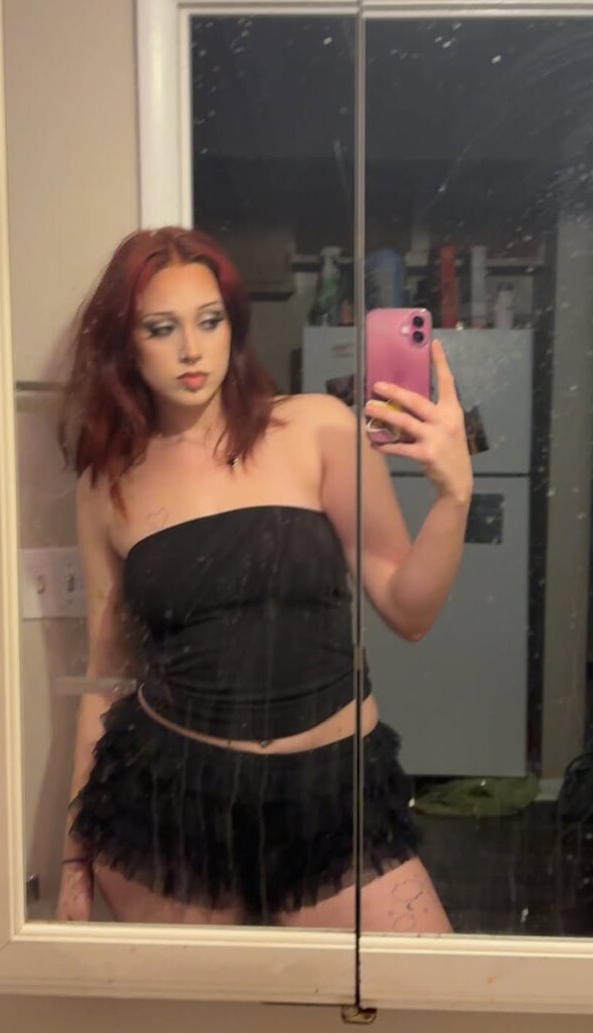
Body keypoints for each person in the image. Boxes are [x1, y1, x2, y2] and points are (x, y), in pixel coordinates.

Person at [54, 227, 473, 930]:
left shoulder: (316, 429)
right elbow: (104, 680)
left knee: (425, 985)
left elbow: (410, 611)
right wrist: (73, 859)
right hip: (169, 802)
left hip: (330, 799)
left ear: (233, 326)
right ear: (126, 343)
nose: (192, 350)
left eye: (209, 321)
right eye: (162, 328)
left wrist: (453, 496)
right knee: (205, 998)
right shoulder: (107, 485)